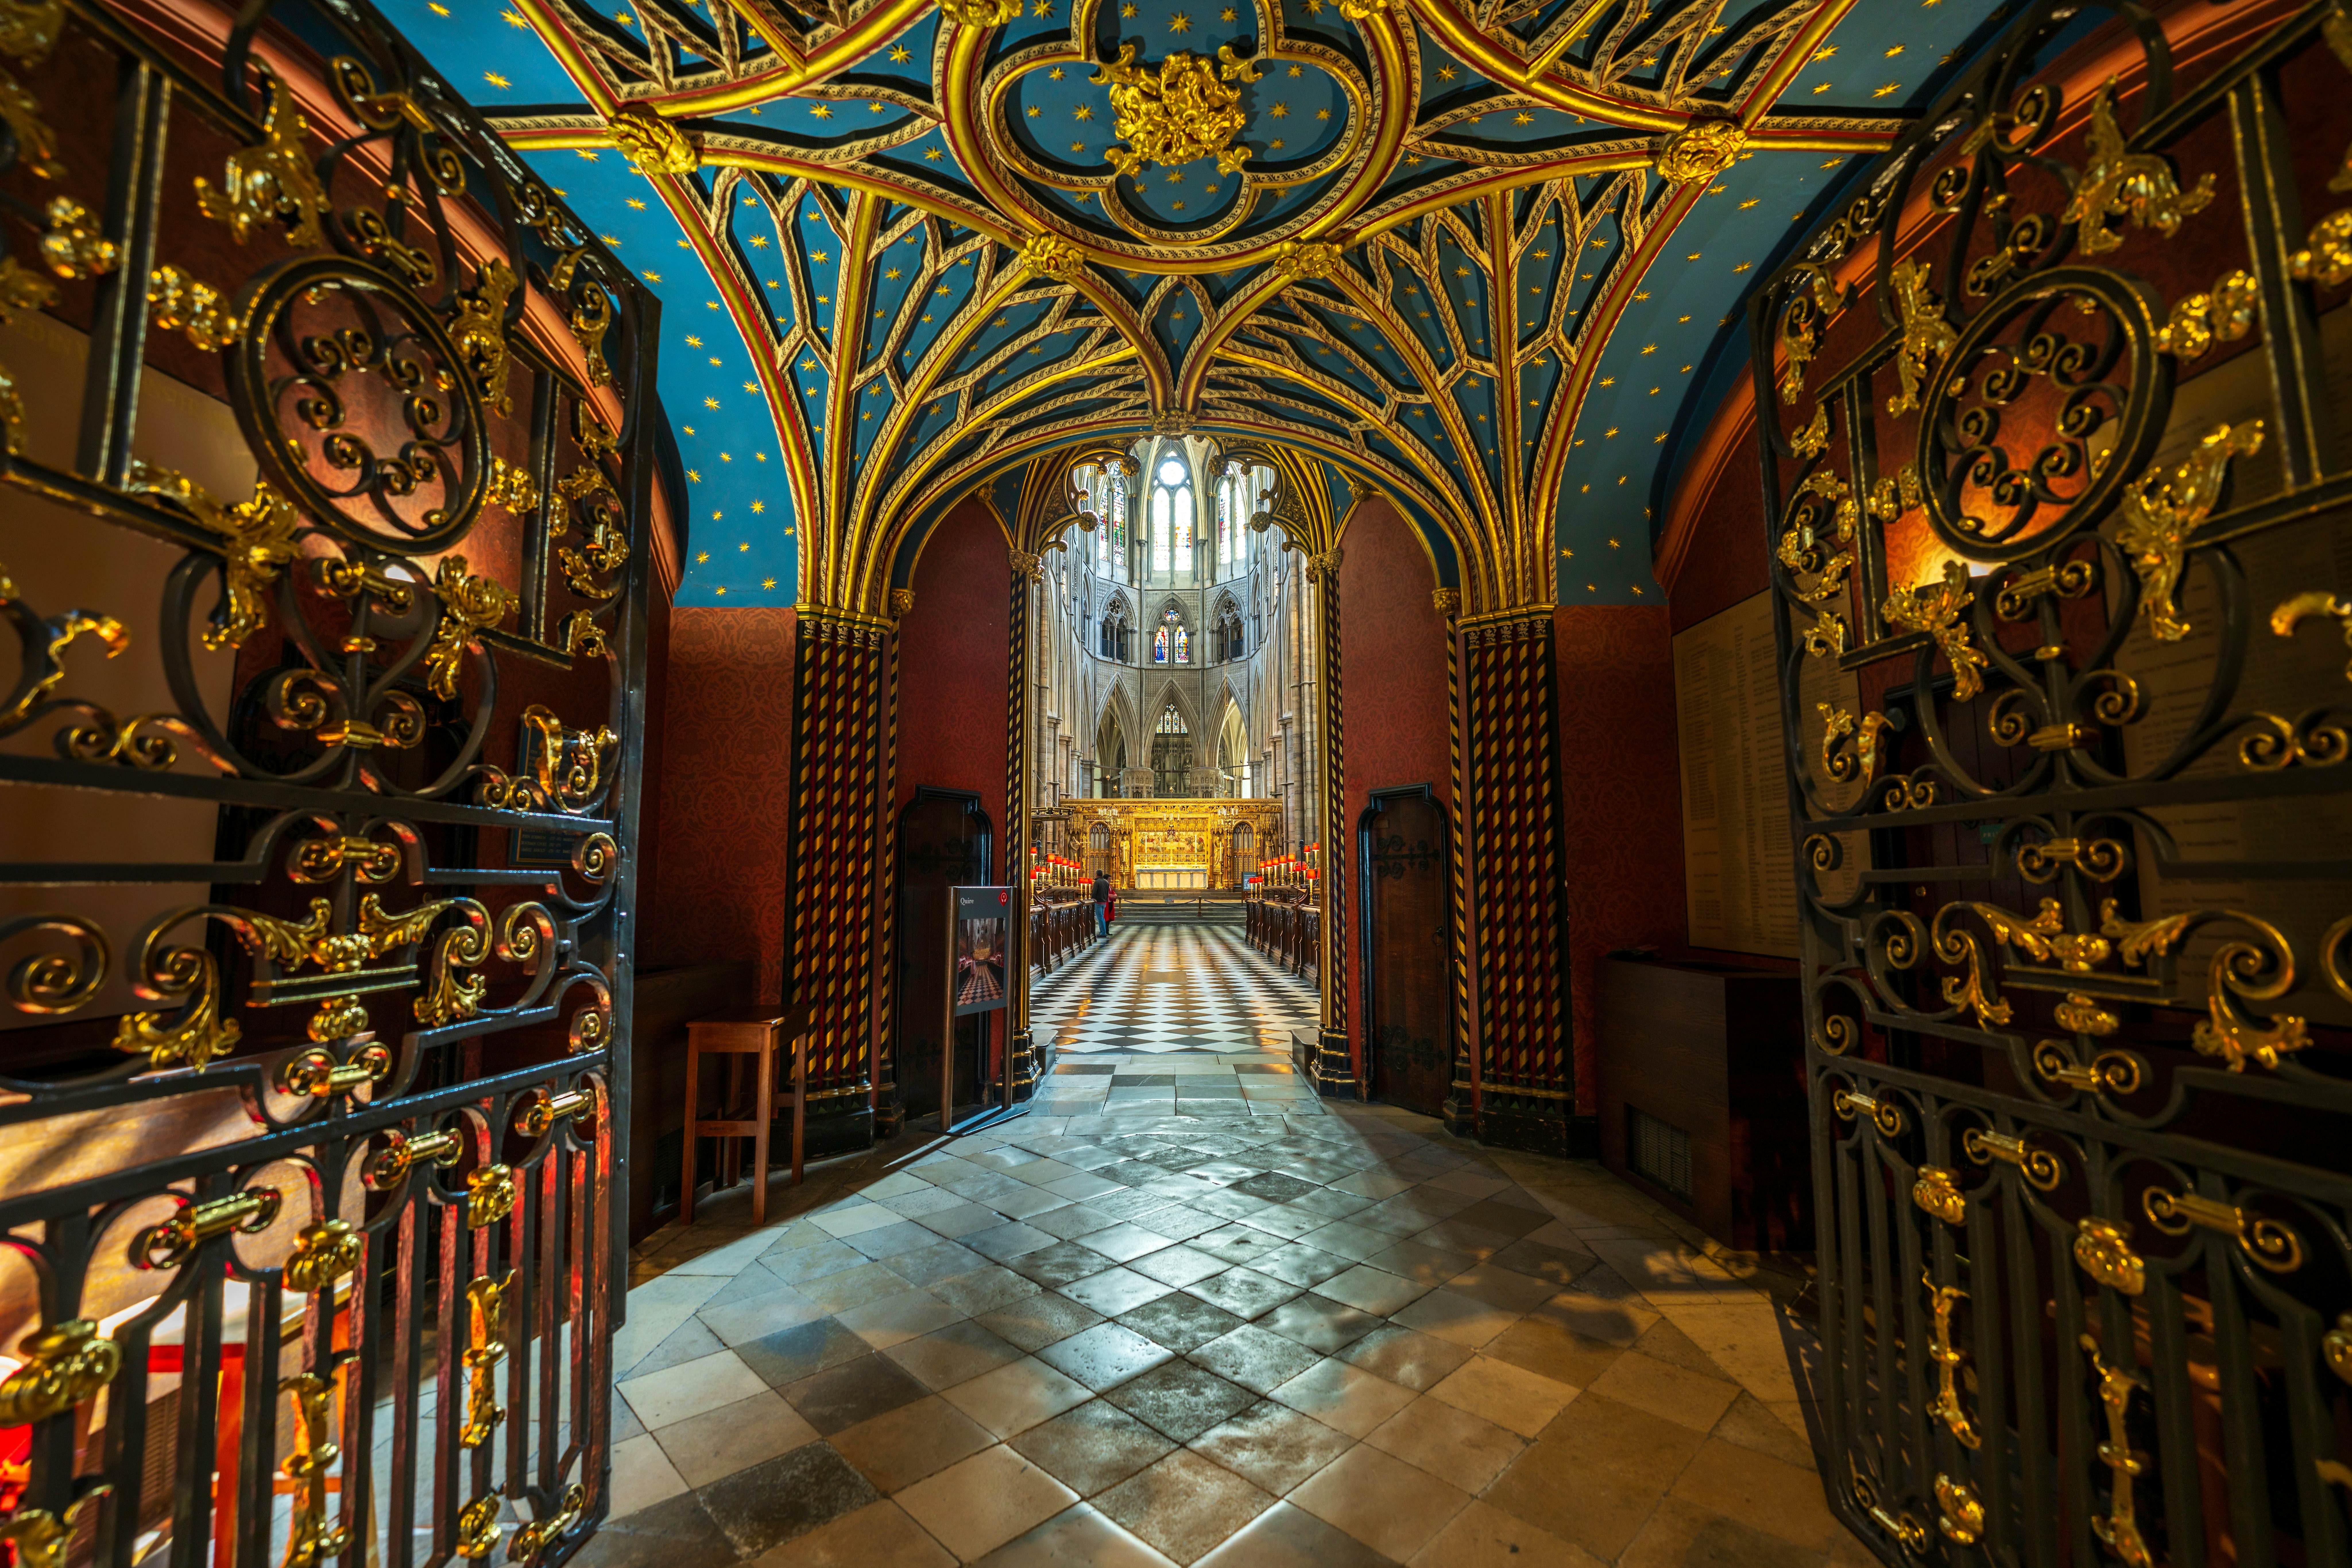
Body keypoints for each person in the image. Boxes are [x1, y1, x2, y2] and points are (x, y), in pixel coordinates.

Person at [1090, 869, 1111, 939]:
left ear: (1097, 874)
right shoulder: (1106, 882)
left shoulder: (1097, 882)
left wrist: (1093, 900)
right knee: (1102, 917)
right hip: (1104, 902)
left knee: (1100, 918)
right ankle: (1104, 932)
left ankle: (1103, 933)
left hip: (1098, 902)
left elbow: (1094, 892)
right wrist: (1105, 900)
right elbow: (1107, 893)